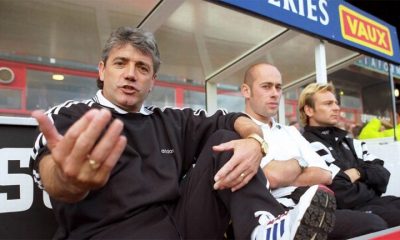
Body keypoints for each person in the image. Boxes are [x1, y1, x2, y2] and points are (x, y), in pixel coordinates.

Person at [29, 27, 329, 239]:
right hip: (110, 233)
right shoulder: (72, 115)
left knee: (225, 142)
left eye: (142, 68)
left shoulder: (170, 120)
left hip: (184, 227)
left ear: (152, 81)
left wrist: (254, 141)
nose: (131, 74)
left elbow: (233, 118)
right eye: (121, 63)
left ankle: (263, 231)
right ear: (102, 70)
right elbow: (52, 172)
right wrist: (68, 180)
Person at [241, 63, 389, 239]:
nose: (275, 93)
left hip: (317, 203)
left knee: (378, 220)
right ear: (246, 91)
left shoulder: (291, 131)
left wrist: (287, 170)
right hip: (278, 213)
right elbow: (271, 176)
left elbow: (326, 175)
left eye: (278, 87)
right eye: (266, 86)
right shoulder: (238, 128)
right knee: (374, 224)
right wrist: (302, 164)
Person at [300, 82, 400, 229]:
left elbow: (383, 175)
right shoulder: (305, 144)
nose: (336, 108)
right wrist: (370, 185)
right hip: (347, 213)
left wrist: (357, 172)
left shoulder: (351, 142)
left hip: (376, 203)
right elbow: (341, 193)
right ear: (309, 110)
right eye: (328, 104)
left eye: (336, 103)